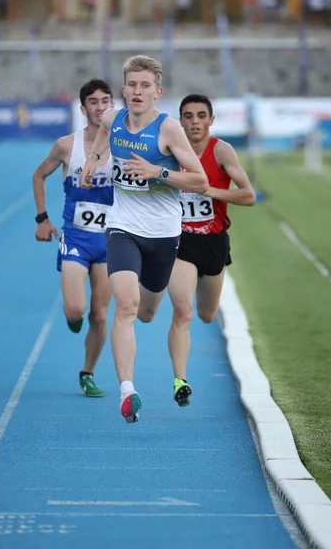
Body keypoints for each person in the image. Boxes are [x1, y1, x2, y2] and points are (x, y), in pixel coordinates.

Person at [80, 55, 208, 423]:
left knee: (149, 312)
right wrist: (93, 159)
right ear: (123, 90)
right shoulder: (112, 117)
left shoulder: (168, 130)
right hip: (122, 227)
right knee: (126, 305)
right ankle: (127, 391)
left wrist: (157, 171)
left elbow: (200, 181)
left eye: (145, 86)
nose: (137, 92)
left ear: (157, 92)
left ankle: (136, 375)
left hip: (164, 234)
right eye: (132, 85)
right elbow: (102, 133)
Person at [168, 94, 255, 407]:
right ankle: (180, 380)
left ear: (211, 120)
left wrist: (207, 190)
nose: (194, 121)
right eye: (188, 116)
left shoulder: (221, 150)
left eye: (201, 115)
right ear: (180, 120)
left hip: (214, 241)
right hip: (181, 242)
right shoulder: (170, 150)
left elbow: (248, 195)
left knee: (206, 315)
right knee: (183, 311)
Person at [32, 79, 114, 398]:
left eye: (105, 100)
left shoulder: (124, 146)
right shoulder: (67, 145)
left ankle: (88, 372)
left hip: (111, 241)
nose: (100, 106)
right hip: (76, 239)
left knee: (100, 314)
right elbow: (39, 175)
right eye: (93, 102)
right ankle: (73, 317)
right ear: (83, 109)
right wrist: (42, 218)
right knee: (76, 311)